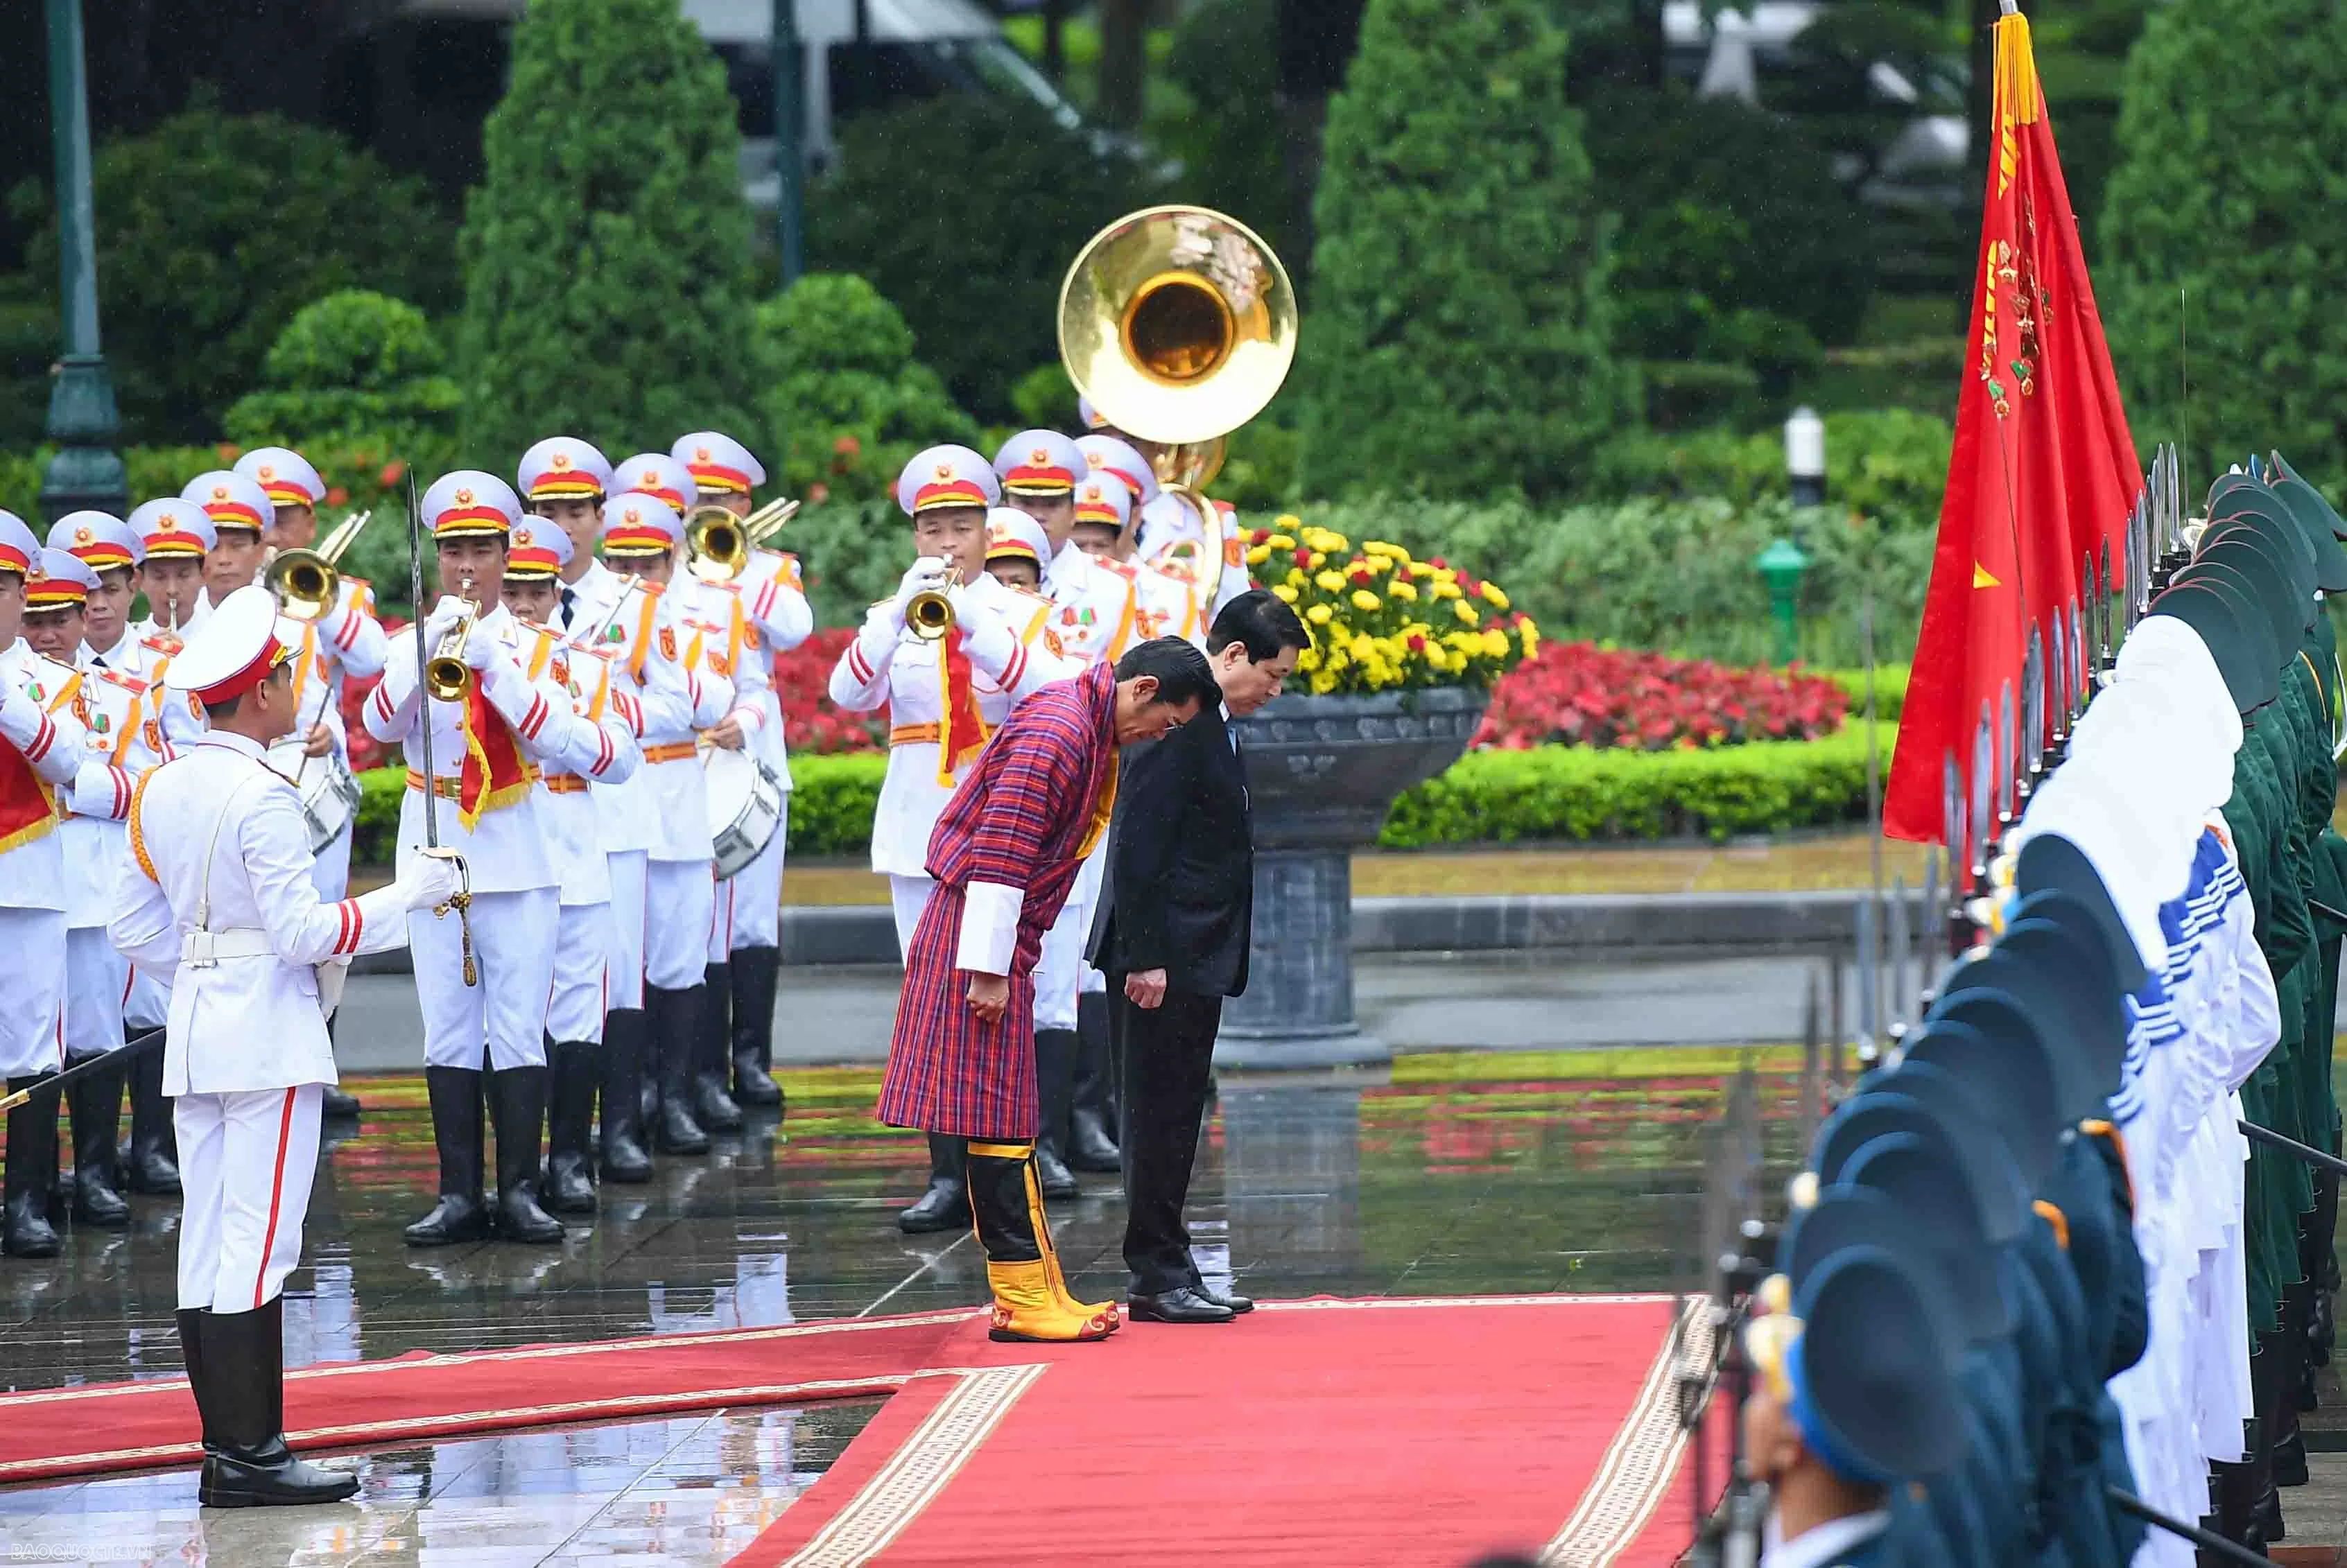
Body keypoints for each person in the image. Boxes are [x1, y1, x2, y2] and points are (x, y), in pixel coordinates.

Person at [108, 584, 462, 1506]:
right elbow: (306, 932)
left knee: (210, 1238)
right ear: (260, 690)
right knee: (258, 1241)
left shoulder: (162, 785)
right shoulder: (262, 795)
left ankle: (228, 1451)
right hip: (264, 1037)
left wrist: (206, 964)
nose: (293, 686)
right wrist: (411, 895)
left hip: (196, 1033)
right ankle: (253, 1453)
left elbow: (129, 927)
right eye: (285, 676)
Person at [880, 636, 1213, 1342]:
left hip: (992, 934)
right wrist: (990, 971)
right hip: (978, 933)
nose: (1162, 736)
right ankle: (1024, 1298)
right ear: (1144, 689)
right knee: (997, 1115)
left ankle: (1029, 1291)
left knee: (1001, 1109)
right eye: (1168, 721)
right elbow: (1001, 850)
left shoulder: (1083, 723)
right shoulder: (1060, 731)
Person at [829, 446, 1081, 1234]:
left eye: (961, 527)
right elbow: (846, 692)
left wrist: (971, 618)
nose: (946, 542)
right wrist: (899, 611)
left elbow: (1047, 688)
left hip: (1001, 823)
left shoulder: (1020, 615)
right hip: (918, 830)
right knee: (933, 999)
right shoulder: (895, 613)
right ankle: (947, 1176)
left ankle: (1016, 1161)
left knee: (1004, 993)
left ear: (985, 529)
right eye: (932, 527)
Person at [363, 472, 594, 1246]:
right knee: (449, 1028)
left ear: (506, 556)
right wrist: (424, 646)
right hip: (435, 850)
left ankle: (520, 1191)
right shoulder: (411, 642)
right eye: (453, 550)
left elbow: (563, 742)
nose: (466, 567)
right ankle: (458, 1193)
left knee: (518, 1026)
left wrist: (495, 662)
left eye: (481, 552)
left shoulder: (538, 648)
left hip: (517, 854)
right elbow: (378, 725)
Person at [1090, 589, 1305, 1322]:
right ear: (1233, 654)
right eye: (1271, 675)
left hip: (1190, 951)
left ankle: (1173, 1264)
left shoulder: (1212, 721)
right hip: (1159, 957)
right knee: (1155, 1114)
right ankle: (1155, 1274)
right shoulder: (1177, 720)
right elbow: (1139, 841)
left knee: (1178, 1112)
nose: (1273, 692)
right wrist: (1146, 956)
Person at [236, 446, 391, 1123]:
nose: (275, 533)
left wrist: (316, 595)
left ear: (307, 523)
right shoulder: (234, 598)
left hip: (317, 777)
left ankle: (319, 1072)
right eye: (263, 520)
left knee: (322, 925)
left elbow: (369, 658)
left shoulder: (341, 592)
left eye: (287, 519)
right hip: (250, 770)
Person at [52, 512, 203, 1204]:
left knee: (147, 1002)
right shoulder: (38, 672)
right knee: (68, 1019)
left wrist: (82, 785)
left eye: (110, 586)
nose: (99, 604)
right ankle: (81, 1166)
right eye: (84, 595)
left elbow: (173, 769)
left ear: (133, 585)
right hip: (54, 864)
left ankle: (148, 1147)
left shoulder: (162, 664)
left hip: (138, 856)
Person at [499, 519, 642, 1212]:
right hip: (507, 850)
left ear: (557, 593)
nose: (523, 606)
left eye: (534, 592)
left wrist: (556, 726)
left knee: (581, 1006)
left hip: (578, 845)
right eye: (511, 592)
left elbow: (619, 758)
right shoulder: (471, 664)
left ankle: (573, 1158)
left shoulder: (586, 666)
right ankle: (516, 1170)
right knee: (512, 1013)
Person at [598, 466, 740, 1151]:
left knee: (682, 957)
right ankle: (626, 1105)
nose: (633, 574)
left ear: (673, 557)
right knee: (620, 965)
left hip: (679, 799)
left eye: (646, 561)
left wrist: (657, 654)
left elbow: (712, 703)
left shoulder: (695, 612)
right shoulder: (586, 619)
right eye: (620, 561)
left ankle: (676, 1096)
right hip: (618, 803)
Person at [673, 429, 813, 1116]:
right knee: (698, 923)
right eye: (696, 498)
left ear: (744, 500)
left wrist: (742, 564)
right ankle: (698, 1074)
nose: (707, 509)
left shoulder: (769, 568)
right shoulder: (661, 571)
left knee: (752, 920)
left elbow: (795, 628)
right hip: (685, 763)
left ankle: (750, 1062)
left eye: (720, 497)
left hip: (751, 762)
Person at [0, 516, 92, 1258]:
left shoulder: (51, 681)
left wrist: (5, 697)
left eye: (2, 589)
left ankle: (27, 1200)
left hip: (27, 879)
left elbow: (73, 765)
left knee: (33, 1044)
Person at [177, 470, 272, 620]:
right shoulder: (174, 626)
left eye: (237, 546)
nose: (224, 559)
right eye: (213, 548)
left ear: (260, 551)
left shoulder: (291, 629)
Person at [125, 497, 215, 649]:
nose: (172, 590)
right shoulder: (130, 644)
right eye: (159, 577)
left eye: (183, 576)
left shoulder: (221, 639)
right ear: (140, 581)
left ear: (204, 575)